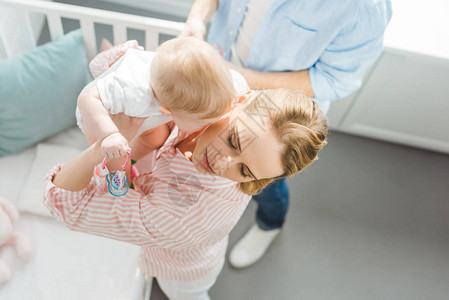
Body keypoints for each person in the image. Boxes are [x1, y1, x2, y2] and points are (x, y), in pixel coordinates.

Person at [44, 89, 328, 299]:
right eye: (233, 140)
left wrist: (105, 144)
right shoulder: (215, 92)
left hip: (184, 271)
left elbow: (66, 204)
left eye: (244, 171)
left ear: (264, 179)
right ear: (238, 100)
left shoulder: (182, 215)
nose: (220, 162)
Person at [180, 0, 392, 268]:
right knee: (213, 152)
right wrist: (196, 21)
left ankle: (269, 224)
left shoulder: (364, 7)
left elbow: (336, 78)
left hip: (273, 110)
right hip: (220, 72)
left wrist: (242, 77)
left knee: (259, 178)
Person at [76, 37, 242, 162]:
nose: (207, 126)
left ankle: (132, 160)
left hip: (137, 96)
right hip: (99, 112)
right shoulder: (135, 94)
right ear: (166, 111)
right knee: (116, 157)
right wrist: (109, 135)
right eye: (202, 122)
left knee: (156, 137)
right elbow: (86, 99)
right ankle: (121, 167)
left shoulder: (169, 71)